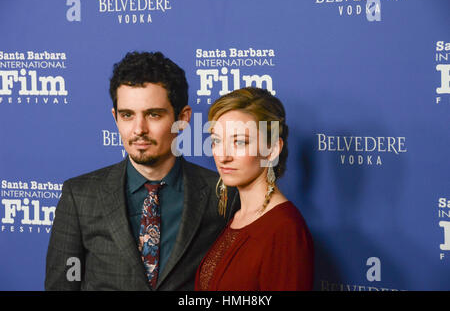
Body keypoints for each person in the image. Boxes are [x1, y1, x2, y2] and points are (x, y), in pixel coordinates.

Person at [45, 51, 238, 291]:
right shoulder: (80, 195)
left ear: (183, 118)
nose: (139, 129)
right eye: (127, 115)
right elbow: (61, 287)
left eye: (153, 114)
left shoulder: (223, 193)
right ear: (115, 118)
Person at [195, 87, 314, 291]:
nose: (223, 156)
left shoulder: (285, 230)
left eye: (239, 142)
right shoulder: (237, 215)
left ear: (272, 149)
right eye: (216, 141)